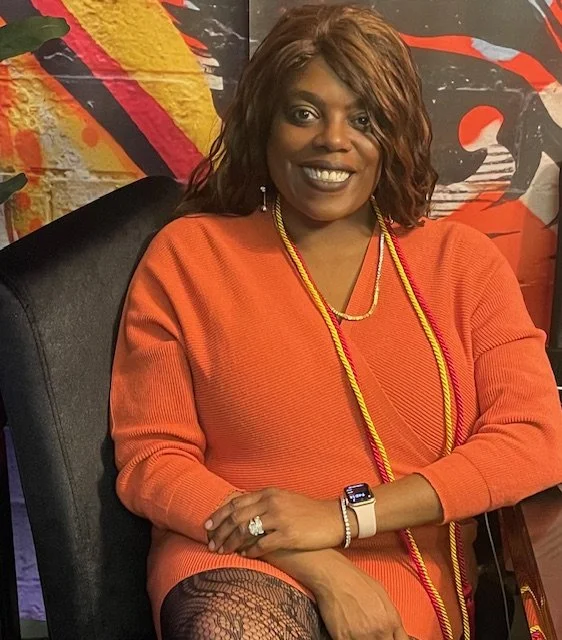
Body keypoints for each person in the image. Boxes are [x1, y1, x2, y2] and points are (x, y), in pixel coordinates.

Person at [109, 4, 562, 640]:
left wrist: (346, 518)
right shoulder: (190, 256)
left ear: (394, 135)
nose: (333, 139)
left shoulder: (460, 264)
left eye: (364, 118)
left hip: (402, 567)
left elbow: (534, 438)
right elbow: (153, 459)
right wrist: (311, 558)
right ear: (264, 124)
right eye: (303, 113)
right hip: (234, 550)